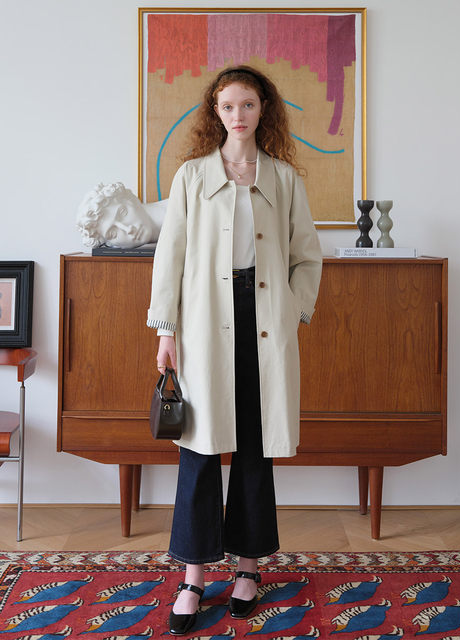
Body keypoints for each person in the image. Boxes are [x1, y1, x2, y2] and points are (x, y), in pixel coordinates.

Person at [147, 65, 322, 636]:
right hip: (203, 322)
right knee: (198, 449)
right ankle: (194, 578)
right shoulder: (192, 176)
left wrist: (292, 311)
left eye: (247, 104)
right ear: (215, 112)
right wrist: (166, 332)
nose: (238, 115)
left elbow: (307, 256)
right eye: (227, 106)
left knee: (254, 445)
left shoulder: (283, 178)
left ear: (263, 108)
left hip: (264, 319)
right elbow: (170, 257)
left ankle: (248, 568)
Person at [76, 181, 168, 248]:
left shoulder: (176, 206)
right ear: (110, 244)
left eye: (123, 213)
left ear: (131, 199)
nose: (128, 230)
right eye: (113, 233)